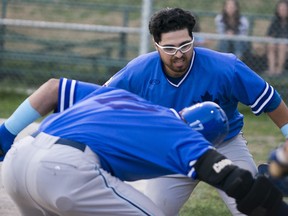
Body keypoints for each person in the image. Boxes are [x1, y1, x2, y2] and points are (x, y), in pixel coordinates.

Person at [2, 7, 288, 216]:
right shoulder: (138, 72)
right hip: (165, 146)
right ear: (156, 45)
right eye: (170, 47)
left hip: (225, 142)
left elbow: (272, 102)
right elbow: (99, 104)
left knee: (253, 211)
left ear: (194, 40)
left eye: (186, 45)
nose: (179, 53)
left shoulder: (225, 67)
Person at [1, 78, 288, 216]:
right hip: (65, 170)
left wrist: (5, 133)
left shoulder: (123, 98)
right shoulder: (177, 131)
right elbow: (231, 177)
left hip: (19, 159)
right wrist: (273, 204)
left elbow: (54, 88)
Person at [266, 0, 288, 76]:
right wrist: (271, 39)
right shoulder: (275, 21)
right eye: (280, 9)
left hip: (285, 45)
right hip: (276, 44)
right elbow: (269, 34)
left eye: (284, 9)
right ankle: (272, 70)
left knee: (282, 46)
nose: (282, 11)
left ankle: (279, 69)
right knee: (271, 45)